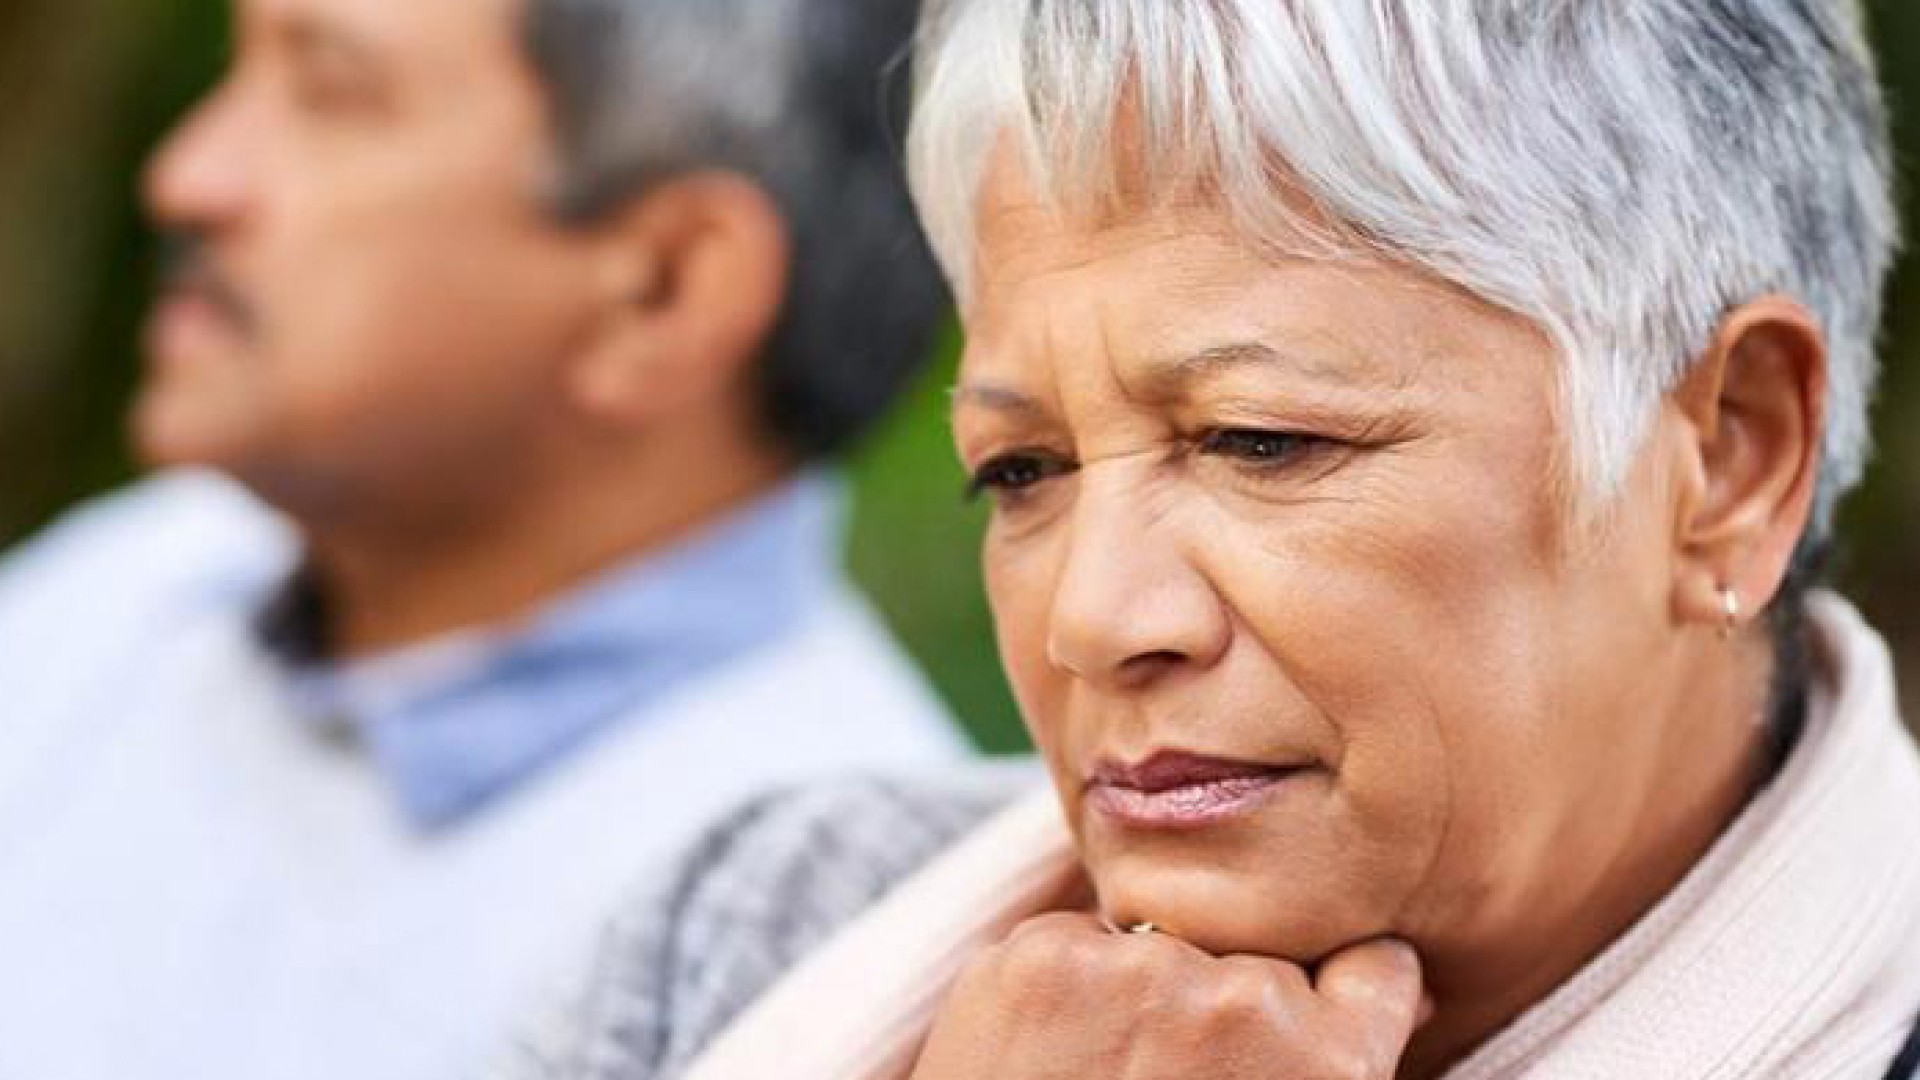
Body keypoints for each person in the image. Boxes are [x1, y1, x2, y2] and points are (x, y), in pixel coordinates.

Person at [504, 1, 1920, 1078]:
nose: (1094, 619)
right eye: (1021, 470)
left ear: (1734, 453)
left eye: (1260, 441)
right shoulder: (747, 932)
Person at [0, 0, 965, 1076]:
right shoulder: (126, 589)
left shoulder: (829, 943)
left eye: (332, 94)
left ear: (664, 287)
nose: (188, 175)